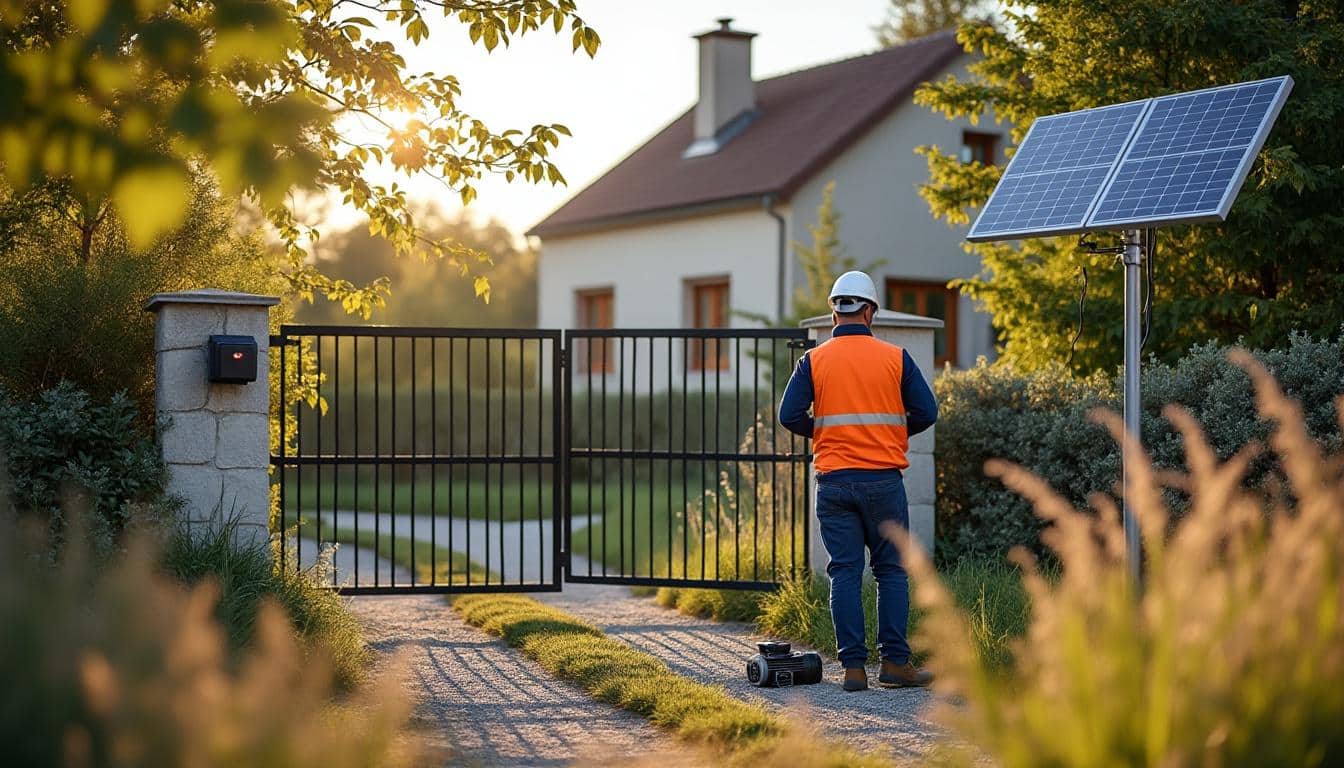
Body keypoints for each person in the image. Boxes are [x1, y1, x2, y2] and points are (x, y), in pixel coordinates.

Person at [778, 271, 938, 692]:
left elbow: (788, 416)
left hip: (833, 482)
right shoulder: (896, 357)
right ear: (869, 311)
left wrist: (828, 434)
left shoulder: (812, 360)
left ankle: (852, 670)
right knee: (891, 571)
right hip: (883, 482)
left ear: (834, 310)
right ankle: (895, 665)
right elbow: (927, 412)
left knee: (844, 572)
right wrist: (891, 435)